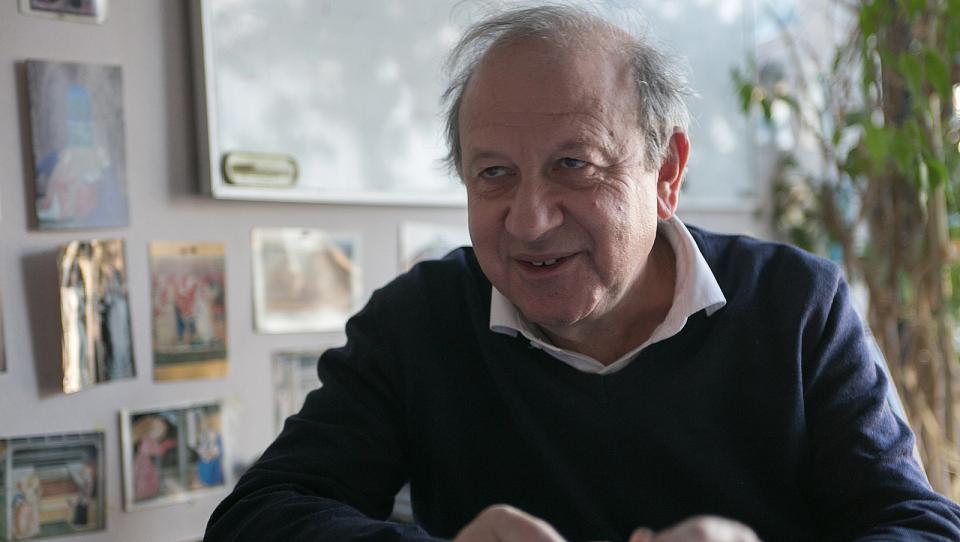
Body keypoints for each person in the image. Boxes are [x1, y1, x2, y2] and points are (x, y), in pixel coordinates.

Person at [205, 5, 960, 541]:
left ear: (667, 172)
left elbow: (918, 524)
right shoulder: (418, 321)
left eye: (574, 165)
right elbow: (257, 516)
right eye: (494, 174)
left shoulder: (796, 306)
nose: (529, 220)